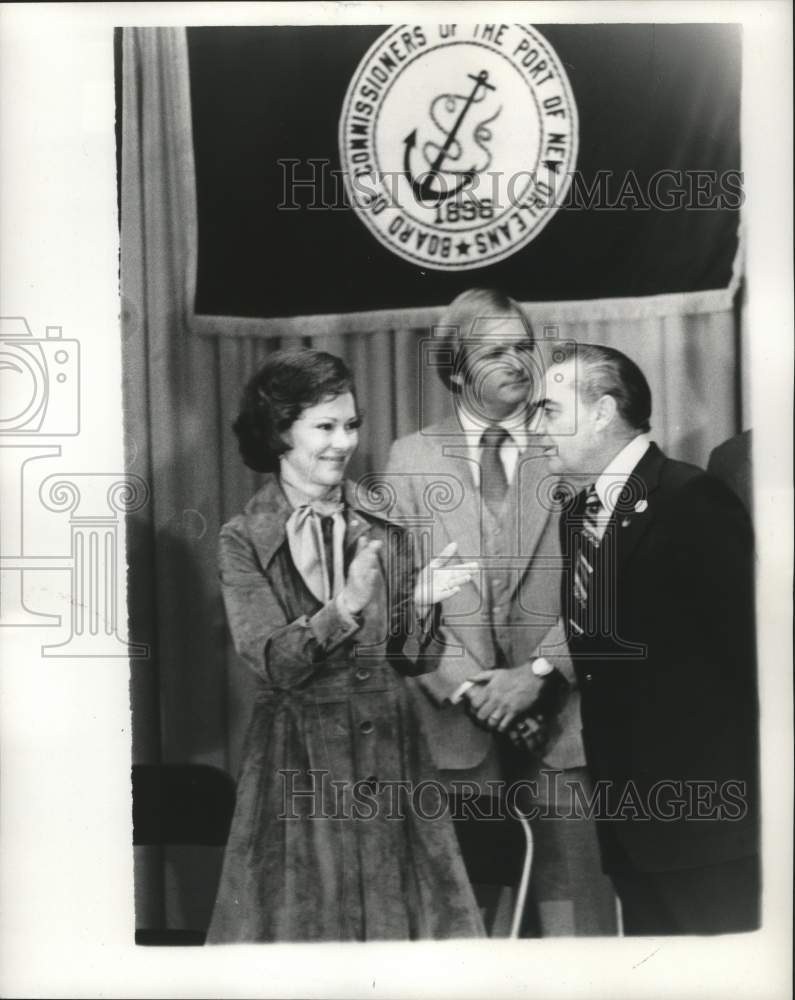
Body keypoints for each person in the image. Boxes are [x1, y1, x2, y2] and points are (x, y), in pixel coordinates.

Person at [206, 349, 484, 943]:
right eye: (324, 427)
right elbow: (275, 661)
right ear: (281, 431)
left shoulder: (383, 521)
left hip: (394, 755)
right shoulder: (243, 538)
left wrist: (422, 603)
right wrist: (346, 607)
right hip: (300, 763)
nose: (343, 442)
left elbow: (415, 660)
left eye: (351, 425)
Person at [384, 289, 617, 936]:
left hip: (562, 723)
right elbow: (397, 598)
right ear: (455, 368)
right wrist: (471, 690)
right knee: (465, 925)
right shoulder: (410, 460)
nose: (518, 362)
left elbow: (606, 585)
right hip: (454, 731)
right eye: (496, 351)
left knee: (574, 924)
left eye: (522, 346)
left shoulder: (573, 446)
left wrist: (536, 677)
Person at [536, 342, 759, 935]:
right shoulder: (577, 513)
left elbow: (751, 659)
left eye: (551, 411)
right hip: (630, 824)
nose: (539, 429)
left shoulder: (691, 499)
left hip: (707, 826)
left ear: (604, 411)